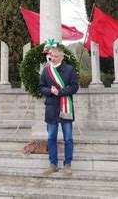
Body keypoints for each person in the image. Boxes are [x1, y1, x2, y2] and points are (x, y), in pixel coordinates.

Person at [39, 46, 79, 175]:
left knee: (68, 138)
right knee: (51, 137)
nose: (53, 58)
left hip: (65, 107)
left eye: (56, 56)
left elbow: (74, 87)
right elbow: (41, 87)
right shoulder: (46, 71)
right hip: (51, 108)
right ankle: (53, 164)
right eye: (52, 56)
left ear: (62, 57)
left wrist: (60, 92)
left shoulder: (69, 70)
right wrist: (50, 91)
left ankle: (67, 164)